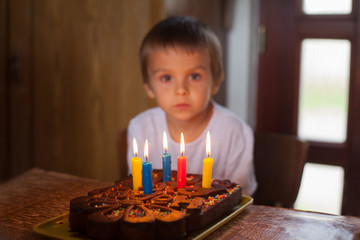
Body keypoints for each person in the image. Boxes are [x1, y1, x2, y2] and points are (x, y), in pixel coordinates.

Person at [127, 16, 257, 195]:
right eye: (166, 78)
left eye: (194, 76)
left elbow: (239, 199)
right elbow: (138, 188)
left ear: (216, 81)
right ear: (149, 87)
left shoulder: (235, 133)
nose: (181, 90)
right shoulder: (141, 127)